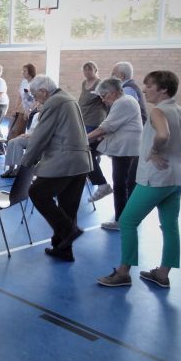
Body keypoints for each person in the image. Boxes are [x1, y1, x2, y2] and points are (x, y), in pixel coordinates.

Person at [97, 71, 181, 288]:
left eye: (149, 86)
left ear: (163, 89)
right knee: (170, 226)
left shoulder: (158, 111)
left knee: (127, 221)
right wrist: (179, 145)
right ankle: (162, 273)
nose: (144, 90)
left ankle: (123, 273)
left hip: (155, 179)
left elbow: (162, 135)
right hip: (177, 179)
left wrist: (155, 150)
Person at [20, 75, 92, 263]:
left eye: (37, 96)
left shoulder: (54, 103)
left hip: (64, 161)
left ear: (44, 91)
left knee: (37, 192)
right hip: (80, 162)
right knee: (68, 208)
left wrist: (27, 161)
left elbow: (41, 135)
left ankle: (69, 231)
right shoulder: (68, 98)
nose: (37, 100)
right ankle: (63, 249)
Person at [87, 78, 143, 231]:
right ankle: (124, 218)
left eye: (104, 96)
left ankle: (123, 219)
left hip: (127, 149)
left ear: (114, 92)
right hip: (126, 148)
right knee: (123, 183)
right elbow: (113, 126)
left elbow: (106, 127)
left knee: (121, 184)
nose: (103, 100)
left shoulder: (123, 102)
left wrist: (84, 139)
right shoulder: (125, 101)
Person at [80, 61, 112, 202]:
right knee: (87, 152)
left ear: (95, 70)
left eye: (90, 69)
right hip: (84, 119)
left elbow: (107, 103)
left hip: (95, 121)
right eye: (85, 69)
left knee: (86, 151)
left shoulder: (100, 84)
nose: (87, 72)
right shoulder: (83, 83)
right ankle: (93, 177)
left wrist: (105, 125)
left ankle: (100, 182)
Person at [0, 105, 40, 179]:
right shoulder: (36, 115)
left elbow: (44, 131)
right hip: (30, 137)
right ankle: (11, 168)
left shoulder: (48, 116)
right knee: (11, 142)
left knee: (18, 142)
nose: (39, 106)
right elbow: (31, 129)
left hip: (38, 139)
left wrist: (31, 135)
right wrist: (26, 134)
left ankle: (18, 168)